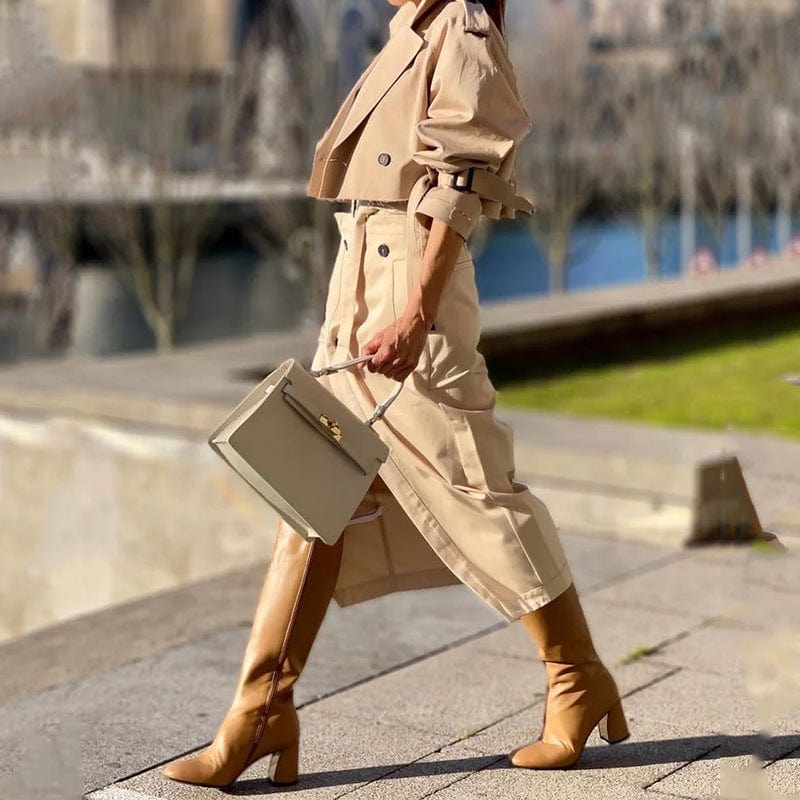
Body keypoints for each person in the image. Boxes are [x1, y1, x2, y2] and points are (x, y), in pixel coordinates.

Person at [161, 0, 629, 788]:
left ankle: (576, 680)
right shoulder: (409, 33)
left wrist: (413, 310)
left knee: (478, 491)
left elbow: (461, 179)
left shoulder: (463, 30)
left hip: (416, 293)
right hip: (360, 289)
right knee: (309, 497)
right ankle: (260, 713)